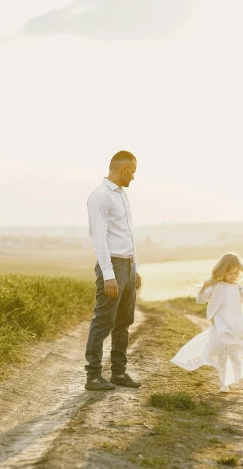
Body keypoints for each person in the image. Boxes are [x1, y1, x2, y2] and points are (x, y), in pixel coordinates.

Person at [171, 253, 243, 393]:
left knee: (234, 354)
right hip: (219, 325)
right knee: (221, 355)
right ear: (222, 272)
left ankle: (241, 376)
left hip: (234, 326)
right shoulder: (216, 286)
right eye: (230, 273)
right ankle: (224, 383)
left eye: (236, 273)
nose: (233, 276)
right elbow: (201, 300)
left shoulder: (239, 288)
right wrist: (203, 288)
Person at [84, 150, 143, 391]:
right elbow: (99, 238)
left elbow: (126, 234)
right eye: (133, 172)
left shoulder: (122, 195)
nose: (134, 178)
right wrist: (108, 274)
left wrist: (134, 268)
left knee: (124, 322)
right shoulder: (100, 197)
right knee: (103, 321)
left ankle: (119, 373)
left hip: (127, 266)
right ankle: (93, 376)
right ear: (124, 169)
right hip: (113, 266)